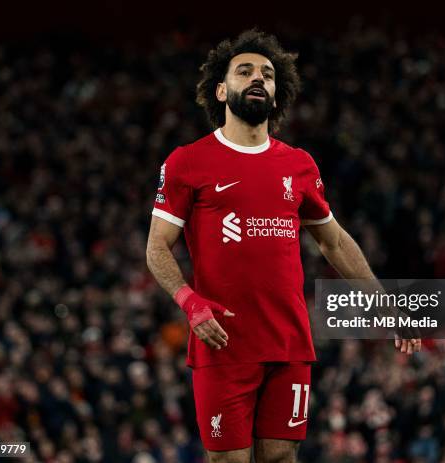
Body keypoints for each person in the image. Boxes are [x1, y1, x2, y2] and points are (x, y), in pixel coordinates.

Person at [146, 28, 421, 463]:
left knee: (280, 458)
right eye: (245, 71)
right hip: (224, 345)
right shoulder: (188, 162)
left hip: (288, 343)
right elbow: (157, 247)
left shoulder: (299, 165)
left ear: (277, 94)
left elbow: (333, 242)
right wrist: (189, 301)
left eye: (268, 74)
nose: (258, 78)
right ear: (221, 89)